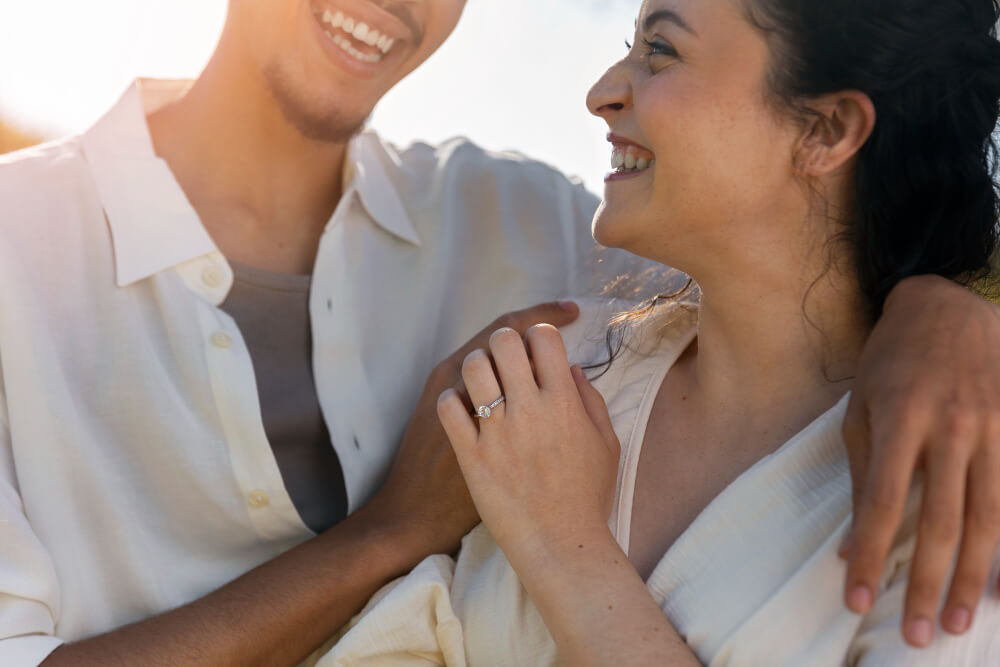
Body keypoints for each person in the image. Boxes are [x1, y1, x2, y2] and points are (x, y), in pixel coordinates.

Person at [0, 0, 998, 665]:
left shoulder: (542, 241)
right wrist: (393, 529)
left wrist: (947, 309)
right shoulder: (18, 247)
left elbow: (791, 258)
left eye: (659, 48)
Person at [321, 0, 1000, 664]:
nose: (601, 93)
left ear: (826, 129)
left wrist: (567, 549)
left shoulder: (954, 478)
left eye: (661, 50)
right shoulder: (563, 376)